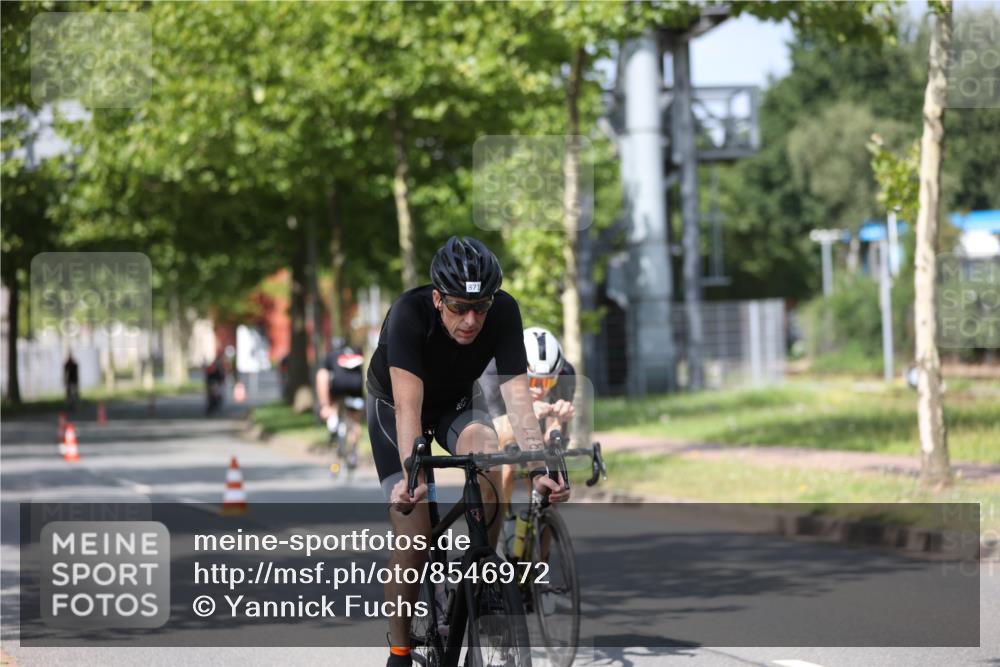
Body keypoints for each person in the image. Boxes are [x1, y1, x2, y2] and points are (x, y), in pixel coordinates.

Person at [366, 236, 569, 667]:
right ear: (438, 299)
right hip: (396, 406)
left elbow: (519, 400)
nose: (472, 320)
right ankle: (400, 650)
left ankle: (479, 570)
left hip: (455, 403)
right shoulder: (408, 313)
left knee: (489, 453)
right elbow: (408, 407)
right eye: (459, 307)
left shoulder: (505, 312)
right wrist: (410, 476)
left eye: (482, 307)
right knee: (415, 530)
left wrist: (539, 470)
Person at [476, 326, 577, 512]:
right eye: (532, 381)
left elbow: (555, 442)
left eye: (546, 382)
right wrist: (526, 415)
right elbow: (493, 435)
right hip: (499, 426)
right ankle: (498, 530)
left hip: (534, 431)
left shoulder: (566, 374)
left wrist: (560, 421)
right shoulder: (493, 371)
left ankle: (539, 526)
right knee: (505, 467)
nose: (539, 390)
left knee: (549, 484)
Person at [316, 336, 365, 465]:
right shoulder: (354, 353)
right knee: (355, 422)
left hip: (338, 387)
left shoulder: (330, 356)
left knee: (323, 378)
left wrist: (324, 404)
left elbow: (322, 377)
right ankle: (353, 452)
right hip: (356, 387)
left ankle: (331, 416)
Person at [205, 350, 226, 414]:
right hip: (215, 382)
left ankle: (212, 408)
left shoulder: (214, 364)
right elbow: (221, 374)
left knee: (212, 396)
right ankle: (213, 408)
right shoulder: (219, 364)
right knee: (216, 396)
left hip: (212, 382)